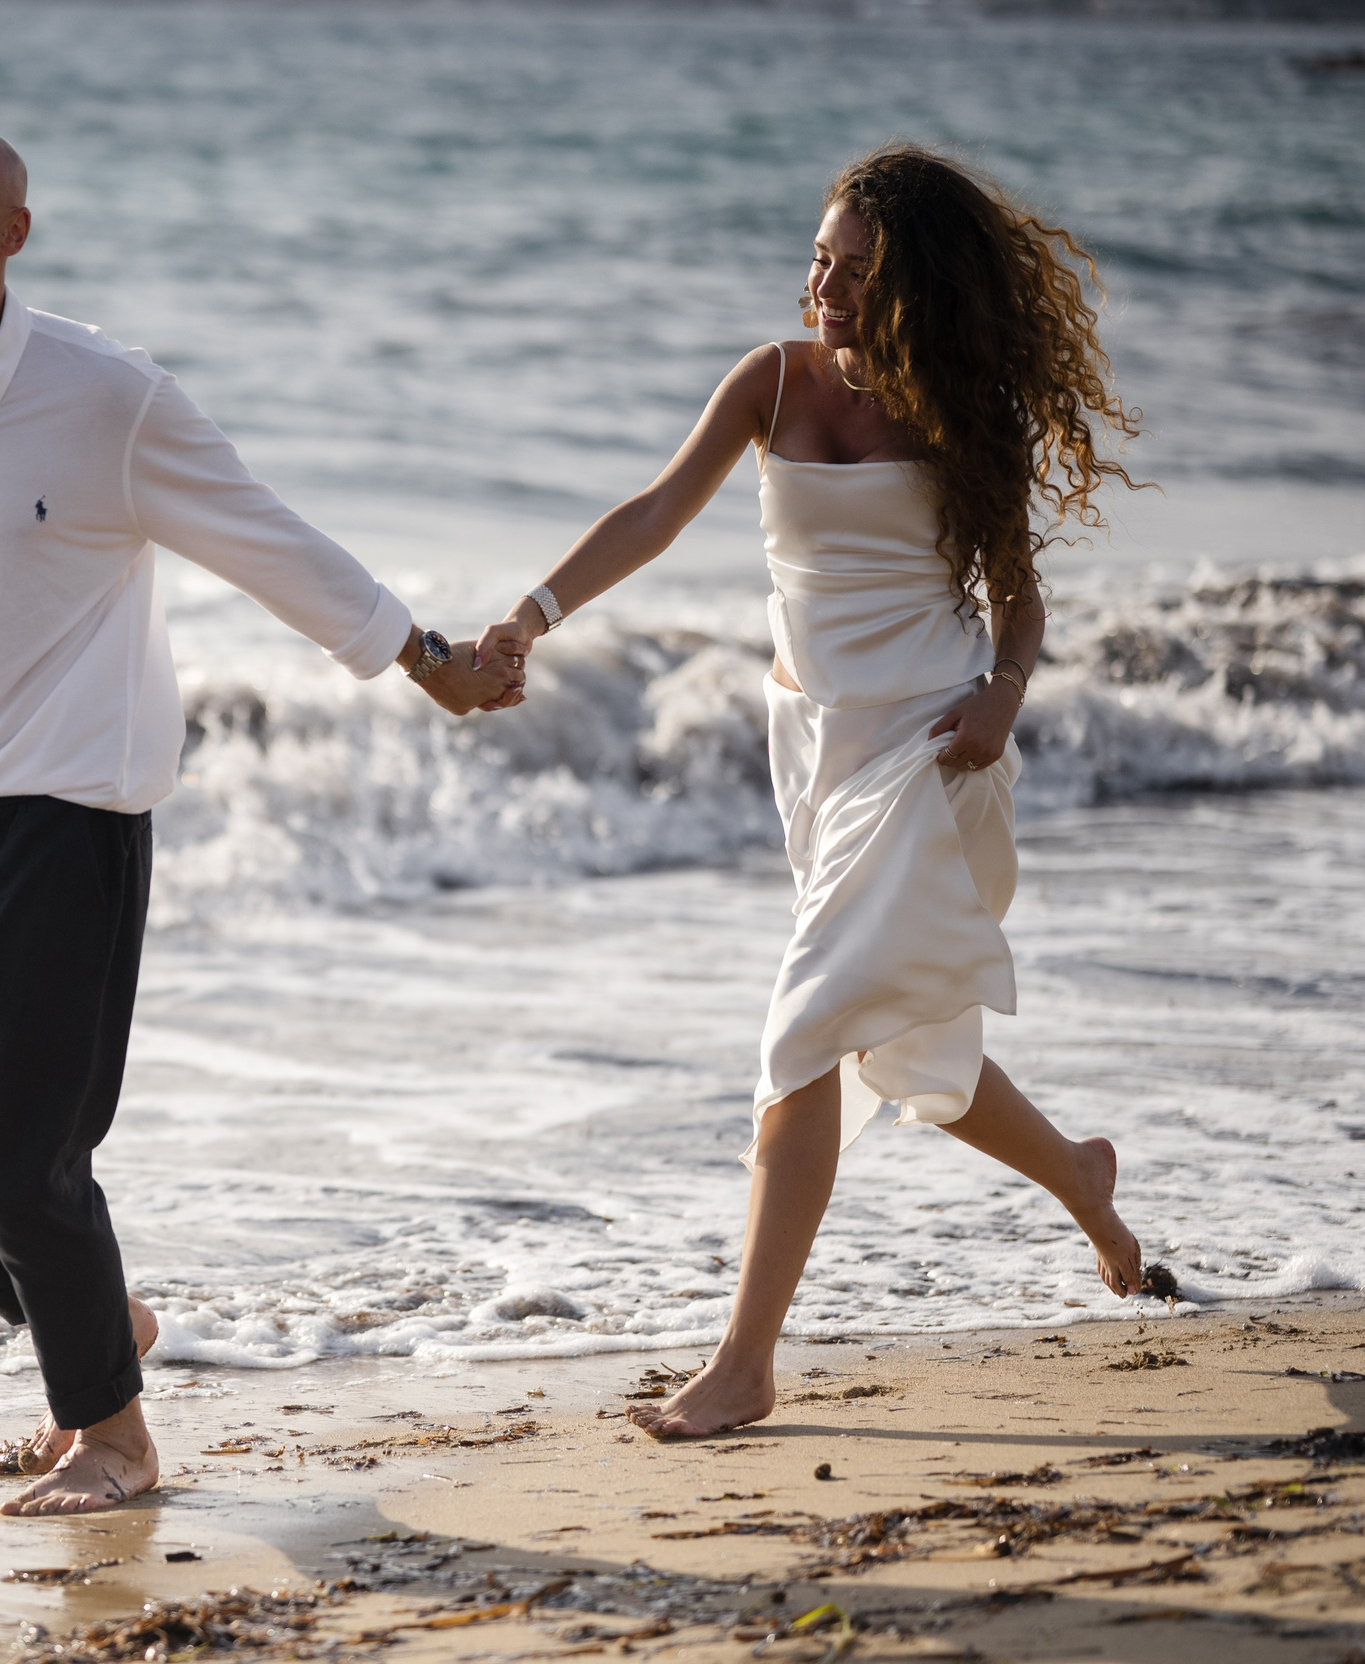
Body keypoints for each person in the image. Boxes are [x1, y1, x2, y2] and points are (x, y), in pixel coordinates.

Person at [0, 125, 519, 1513]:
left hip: (69, 829)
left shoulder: (111, 398)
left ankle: (112, 1435)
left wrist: (427, 659)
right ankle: (95, 1334)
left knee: (20, 1152)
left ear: (11, 235)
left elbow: (267, 534)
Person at [475, 144, 1150, 1439]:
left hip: (932, 741)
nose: (820, 285)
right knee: (902, 1045)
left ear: (914, 289)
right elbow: (655, 510)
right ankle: (1082, 1178)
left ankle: (745, 1361)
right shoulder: (772, 381)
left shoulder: (968, 408)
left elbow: (1017, 601)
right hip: (817, 747)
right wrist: (531, 615)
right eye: (818, 260)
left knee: (804, 1030)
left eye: (851, 271)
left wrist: (1006, 692)